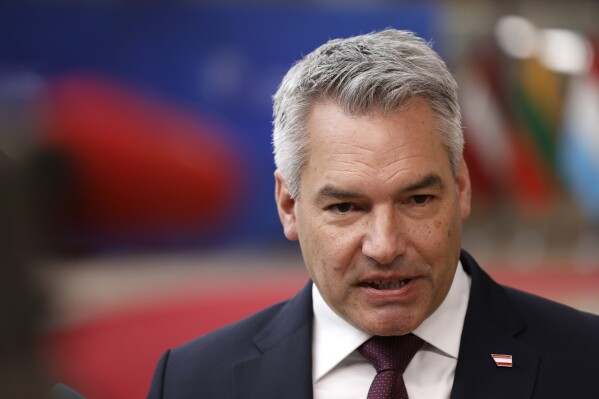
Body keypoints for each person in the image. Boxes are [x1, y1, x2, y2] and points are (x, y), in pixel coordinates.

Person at [147, 29, 599, 399]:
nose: (385, 246)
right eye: (345, 207)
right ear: (289, 206)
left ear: (461, 187)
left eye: (417, 200)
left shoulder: (586, 362)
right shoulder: (191, 382)